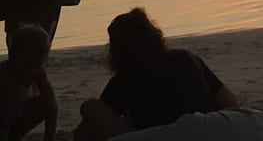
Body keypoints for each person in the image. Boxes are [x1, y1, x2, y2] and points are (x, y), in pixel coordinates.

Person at [74, 8, 237, 141]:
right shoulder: (185, 58)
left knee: (90, 107)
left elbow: (94, 123)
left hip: (158, 136)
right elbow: (228, 100)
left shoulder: (125, 78)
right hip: (204, 131)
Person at [0, 24, 57, 141]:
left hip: (14, 117)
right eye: (27, 66)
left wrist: (49, 138)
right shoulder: (4, 76)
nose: (31, 72)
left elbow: (51, 105)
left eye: (36, 66)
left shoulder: (38, 71)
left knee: (44, 103)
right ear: (12, 56)